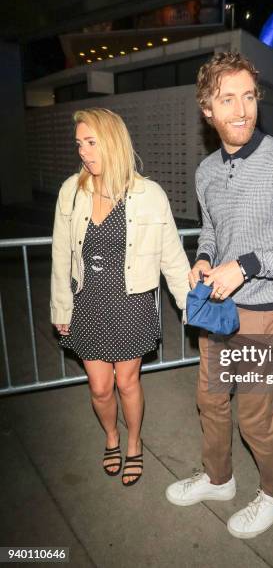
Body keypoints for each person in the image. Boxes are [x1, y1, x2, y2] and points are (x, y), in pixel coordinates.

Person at [166, 52, 273, 537]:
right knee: (211, 401)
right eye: (228, 98)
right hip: (218, 307)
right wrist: (203, 257)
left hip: (265, 312)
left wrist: (250, 265)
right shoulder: (207, 172)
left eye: (249, 96)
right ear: (207, 109)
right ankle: (219, 478)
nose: (241, 110)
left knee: (255, 419)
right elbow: (214, 233)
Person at [51, 108, 190, 486]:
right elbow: (61, 254)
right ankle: (110, 436)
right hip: (88, 303)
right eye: (79, 143)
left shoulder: (148, 195)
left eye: (91, 142)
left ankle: (133, 442)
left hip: (131, 303)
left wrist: (192, 305)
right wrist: (60, 304)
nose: (83, 151)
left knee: (127, 382)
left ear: (113, 142)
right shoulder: (72, 191)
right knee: (99, 387)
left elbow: (173, 258)